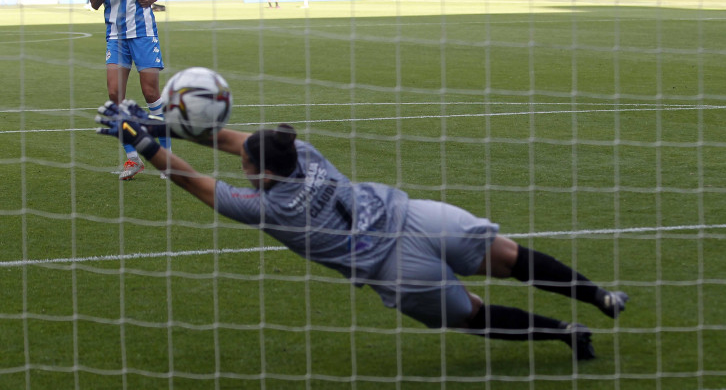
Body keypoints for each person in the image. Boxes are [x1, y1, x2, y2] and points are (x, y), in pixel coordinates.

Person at [95, 100, 630, 360]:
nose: (242, 164)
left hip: (393, 267)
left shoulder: (267, 209)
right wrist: (162, 124)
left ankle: (566, 334)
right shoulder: (301, 151)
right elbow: (234, 141)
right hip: (413, 217)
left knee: (474, 313)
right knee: (509, 255)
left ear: (263, 174)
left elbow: (194, 181)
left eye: (248, 165)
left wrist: (144, 141)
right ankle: (599, 297)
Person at [88, 0, 177, 180]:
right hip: (116, 36)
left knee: (150, 93)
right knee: (115, 95)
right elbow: (94, 3)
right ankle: (133, 159)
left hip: (144, 33)